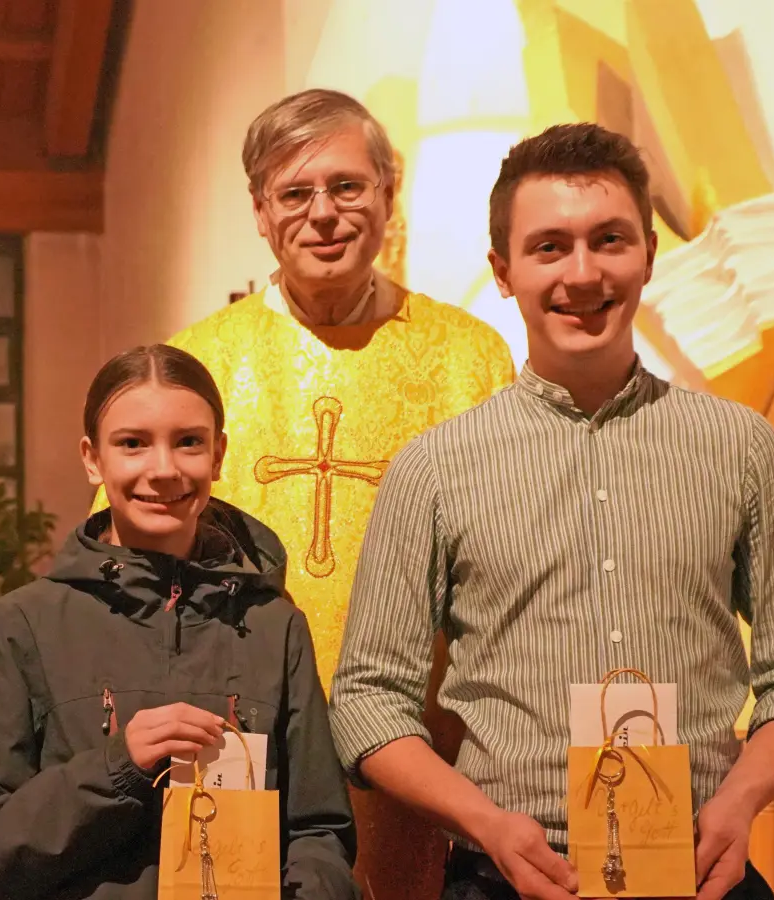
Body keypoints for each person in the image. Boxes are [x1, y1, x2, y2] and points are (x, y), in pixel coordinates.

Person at [330, 123, 774, 900]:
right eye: (548, 247)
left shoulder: (743, 449)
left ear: (649, 251)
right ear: (503, 272)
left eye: (608, 240)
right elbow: (368, 701)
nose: (582, 273)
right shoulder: (432, 469)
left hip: (700, 868)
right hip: (506, 872)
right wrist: (485, 824)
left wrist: (741, 803)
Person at [99, 88, 516, 899]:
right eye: (295, 193)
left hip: (424, 748)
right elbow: (125, 568)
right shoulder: (198, 364)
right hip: (236, 742)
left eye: (347, 186)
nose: (322, 213)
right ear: (260, 211)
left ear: (388, 196)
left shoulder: (470, 358)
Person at [0, 344, 358, 900]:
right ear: (92, 458)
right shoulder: (24, 624)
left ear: (218, 454)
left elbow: (320, 831)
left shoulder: (273, 625)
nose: (163, 470)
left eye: (188, 442)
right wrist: (118, 769)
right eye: (132, 444)